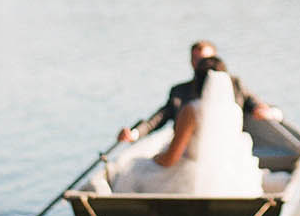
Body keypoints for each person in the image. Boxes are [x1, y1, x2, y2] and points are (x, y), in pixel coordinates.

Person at [108, 56, 265, 196]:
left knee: (134, 169)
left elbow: (171, 158)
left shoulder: (192, 110)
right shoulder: (235, 110)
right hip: (229, 179)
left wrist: (154, 159)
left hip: (191, 179)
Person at [117, 40, 281, 145]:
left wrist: (268, 112)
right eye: (196, 60)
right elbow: (157, 119)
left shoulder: (234, 85)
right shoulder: (180, 92)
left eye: (205, 60)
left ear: (215, 59)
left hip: (228, 148)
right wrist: (134, 134)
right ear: (190, 62)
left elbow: (256, 105)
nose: (201, 65)